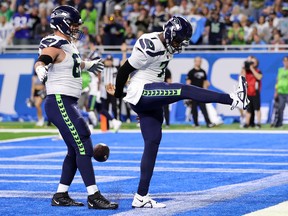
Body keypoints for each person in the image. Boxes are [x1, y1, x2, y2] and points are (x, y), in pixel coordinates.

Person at [106, 15, 249, 208]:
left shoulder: (167, 44)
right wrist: (119, 94)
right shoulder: (150, 43)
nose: (179, 44)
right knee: (184, 89)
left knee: (152, 143)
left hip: (149, 96)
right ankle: (234, 99)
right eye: (178, 39)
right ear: (168, 33)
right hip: (141, 91)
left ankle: (141, 196)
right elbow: (124, 71)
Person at [34, 5, 118, 210]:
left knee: (74, 150)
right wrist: (40, 69)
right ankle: (93, 195)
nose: (75, 28)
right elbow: (45, 58)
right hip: (59, 100)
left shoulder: (67, 45)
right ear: (61, 23)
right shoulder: (55, 42)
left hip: (67, 101)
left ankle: (61, 194)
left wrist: (88, 65)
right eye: (72, 24)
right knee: (84, 143)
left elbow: (72, 61)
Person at [186, 57, 215, 128]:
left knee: (204, 109)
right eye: (197, 61)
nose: (198, 62)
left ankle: (208, 123)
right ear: (195, 62)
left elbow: (205, 82)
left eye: (200, 61)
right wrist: (188, 94)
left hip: (201, 93)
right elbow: (188, 83)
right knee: (194, 109)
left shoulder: (203, 71)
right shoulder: (191, 72)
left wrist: (205, 90)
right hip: (193, 93)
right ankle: (196, 123)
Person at [241, 56, 262, 128]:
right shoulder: (246, 71)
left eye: (253, 62)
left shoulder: (258, 71)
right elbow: (241, 76)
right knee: (248, 109)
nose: (251, 63)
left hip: (255, 92)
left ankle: (258, 123)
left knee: (257, 108)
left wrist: (252, 68)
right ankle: (247, 123)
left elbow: (259, 77)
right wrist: (244, 66)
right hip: (248, 92)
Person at [272, 56, 288, 128]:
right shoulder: (280, 70)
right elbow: (277, 80)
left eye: (287, 61)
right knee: (280, 108)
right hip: (281, 92)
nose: (286, 62)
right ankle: (279, 123)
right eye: (284, 61)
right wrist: (276, 91)